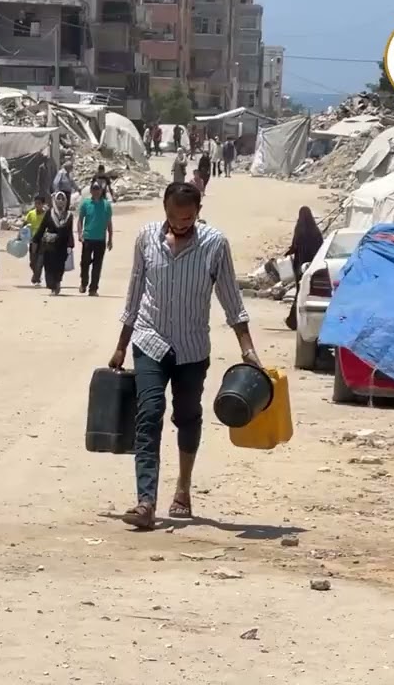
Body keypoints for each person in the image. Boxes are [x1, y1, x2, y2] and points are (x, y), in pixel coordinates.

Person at [108, 182, 260, 531]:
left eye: (188, 218)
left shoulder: (214, 245)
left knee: (188, 416)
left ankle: (183, 487)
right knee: (149, 413)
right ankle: (146, 501)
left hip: (192, 348)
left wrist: (247, 349)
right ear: (164, 209)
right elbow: (134, 294)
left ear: (198, 212)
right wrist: (121, 345)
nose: (180, 224)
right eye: (175, 218)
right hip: (150, 339)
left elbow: (231, 299)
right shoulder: (146, 238)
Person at [283, 206, 324, 331]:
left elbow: (295, 246)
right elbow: (321, 247)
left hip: (299, 268)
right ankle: (300, 321)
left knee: (299, 292)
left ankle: (293, 321)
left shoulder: (299, 230)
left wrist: (289, 252)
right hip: (312, 267)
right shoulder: (316, 232)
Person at [77, 181, 114, 296]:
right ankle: (84, 283)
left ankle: (93, 288)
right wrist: (79, 233)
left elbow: (109, 222)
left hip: (100, 239)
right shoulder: (86, 203)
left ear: (101, 190)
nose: (96, 191)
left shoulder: (106, 205)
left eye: (98, 189)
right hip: (87, 238)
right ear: (91, 190)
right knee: (84, 263)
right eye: (94, 188)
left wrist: (110, 239)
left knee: (97, 265)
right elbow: (80, 219)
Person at [33, 192, 74, 295]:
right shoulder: (49, 214)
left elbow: (69, 231)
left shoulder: (69, 215)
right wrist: (35, 240)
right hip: (49, 245)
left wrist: (70, 245)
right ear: (55, 200)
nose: (60, 201)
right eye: (58, 199)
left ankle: (57, 282)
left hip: (62, 246)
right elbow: (42, 228)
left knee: (59, 266)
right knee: (49, 266)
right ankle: (52, 286)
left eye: (62, 199)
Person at [24, 195, 48, 285]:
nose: (37, 205)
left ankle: (36, 277)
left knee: (40, 260)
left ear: (43, 204)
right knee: (32, 261)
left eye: (39, 203)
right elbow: (25, 224)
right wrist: (20, 235)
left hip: (43, 240)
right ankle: (36, 274)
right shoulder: (31, 214)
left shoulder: (46, 214)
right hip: (33, 240)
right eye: (36, 203)